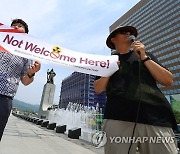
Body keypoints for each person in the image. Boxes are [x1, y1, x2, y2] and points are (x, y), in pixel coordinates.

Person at [94, 26, 178, 154]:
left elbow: (168, 81)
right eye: (123, 32)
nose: (129, 34)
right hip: (118, 118)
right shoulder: (107, 62)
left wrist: (144, 57)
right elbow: (98, 88)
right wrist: (109, 70)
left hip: (155, 117)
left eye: (131, 33)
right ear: (113, 39)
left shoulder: (146, 56)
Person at [0, 19, 41, 141]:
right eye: (13, 26)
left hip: (5, 97)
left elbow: (25, 81)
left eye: (20, 26)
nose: (16, 27)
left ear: (25, 34)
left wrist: (31, 73)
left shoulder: (26, 54)